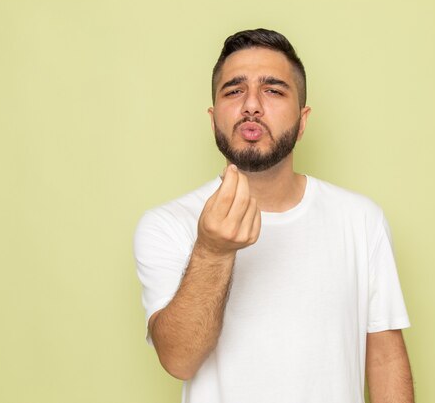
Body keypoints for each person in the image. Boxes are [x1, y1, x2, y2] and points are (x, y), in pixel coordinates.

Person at [134, 28, 414, 403]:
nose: (251, 105)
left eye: (273, 90)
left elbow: (383, 357)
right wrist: (212, 251)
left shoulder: (361, 220)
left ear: (303, 120)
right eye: (234, 91)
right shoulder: (167, 224)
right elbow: (179, 360)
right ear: (214, 117)